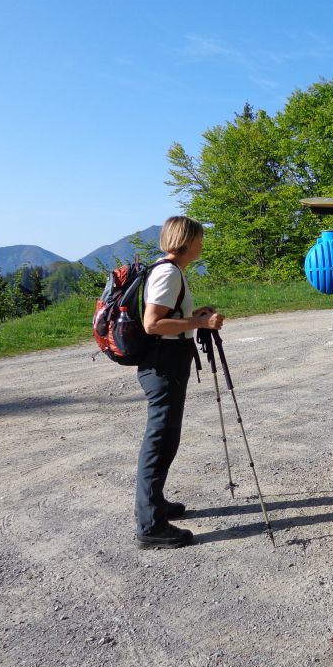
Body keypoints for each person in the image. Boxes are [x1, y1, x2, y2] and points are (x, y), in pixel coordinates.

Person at [135, 216, 224, 549]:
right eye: (200, 238)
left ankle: (155, 505)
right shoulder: (168, 272)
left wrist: (196, 318)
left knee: (165, 438)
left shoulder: (169, 271)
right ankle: (150, 525)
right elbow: (153, 324)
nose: (202, 244)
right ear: (186, 240)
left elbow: (168, 317)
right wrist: (196, 322)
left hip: (168, 361)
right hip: (163, 364)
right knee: (159, 441)